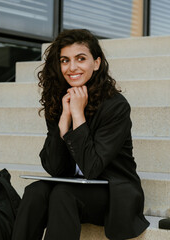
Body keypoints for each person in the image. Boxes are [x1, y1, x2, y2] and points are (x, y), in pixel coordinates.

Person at [11, 29, 149, 240]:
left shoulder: (116, 106)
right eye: (65, 60)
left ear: (96, 63)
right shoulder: (59, 101)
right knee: (34, 192)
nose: (72, 67)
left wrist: (78, 114)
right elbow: (54, 168)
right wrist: (64, 120)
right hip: (74, 187)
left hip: (112, 192)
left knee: (63, 194)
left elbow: (92, 168)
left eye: (81, 59)